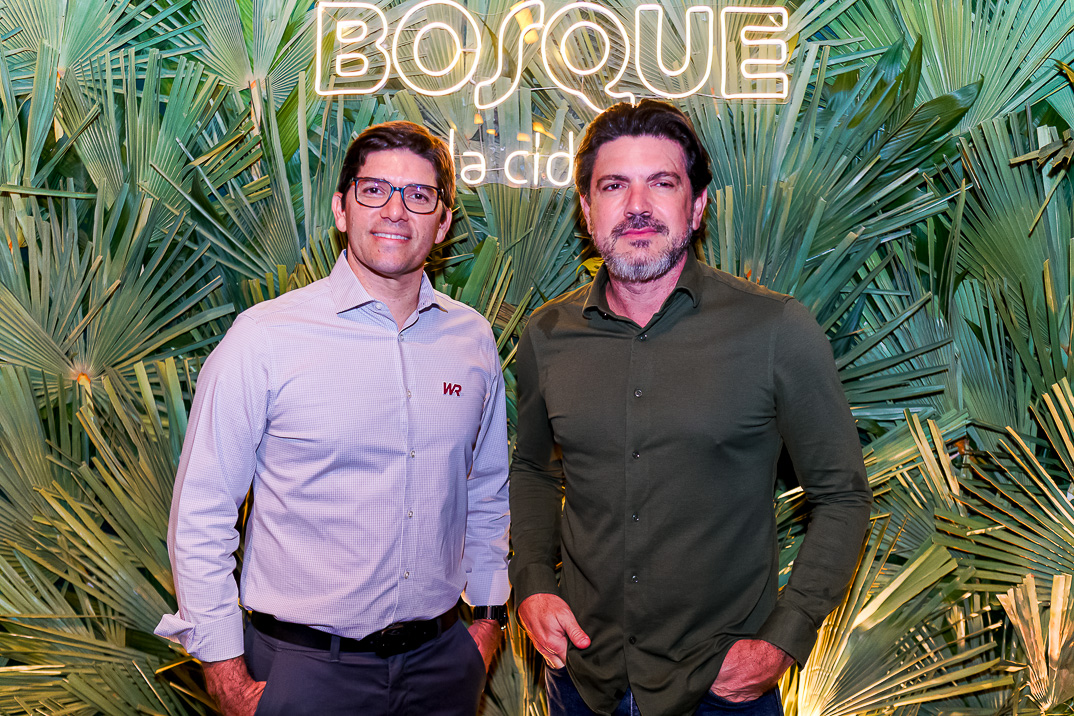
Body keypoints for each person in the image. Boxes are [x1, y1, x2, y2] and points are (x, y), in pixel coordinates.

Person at [509, 100, 872, 716]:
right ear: (587, 210)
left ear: (697, 206)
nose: (637, 206)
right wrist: (533, 585)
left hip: (720, 690)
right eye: (614, 186)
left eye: (662, 183)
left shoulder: (775, 329)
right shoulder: (547, 335)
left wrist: (784, 639)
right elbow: (533, 472)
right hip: (581, 682)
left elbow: (842, 495)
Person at [155, 120, 511, 716]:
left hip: (442, 667)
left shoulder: (471, 339)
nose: (395, 210)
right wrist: (225, 673)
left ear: (443, 222)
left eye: (419, 195)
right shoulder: (265, 338)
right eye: (374, 190)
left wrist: (488, 623)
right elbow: (201, 514)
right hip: (305, 672)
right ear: (342, 209)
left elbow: (487, 492)